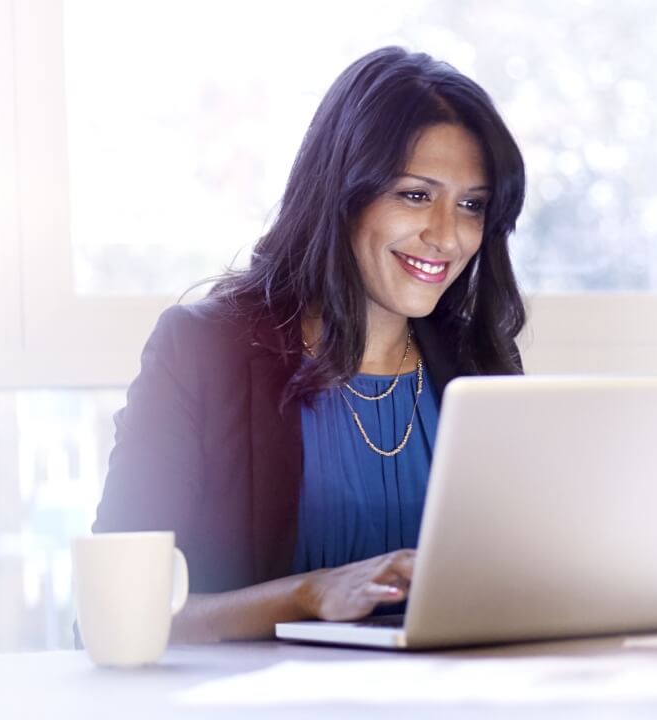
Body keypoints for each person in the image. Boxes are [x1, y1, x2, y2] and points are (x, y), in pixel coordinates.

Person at [89, 46, 527, 643]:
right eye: (416, 195)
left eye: (472, 206)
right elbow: (116, 613)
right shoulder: (202, 350)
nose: (446, 237)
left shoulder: (478, 365)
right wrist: (307, 594)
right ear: (342, 193)